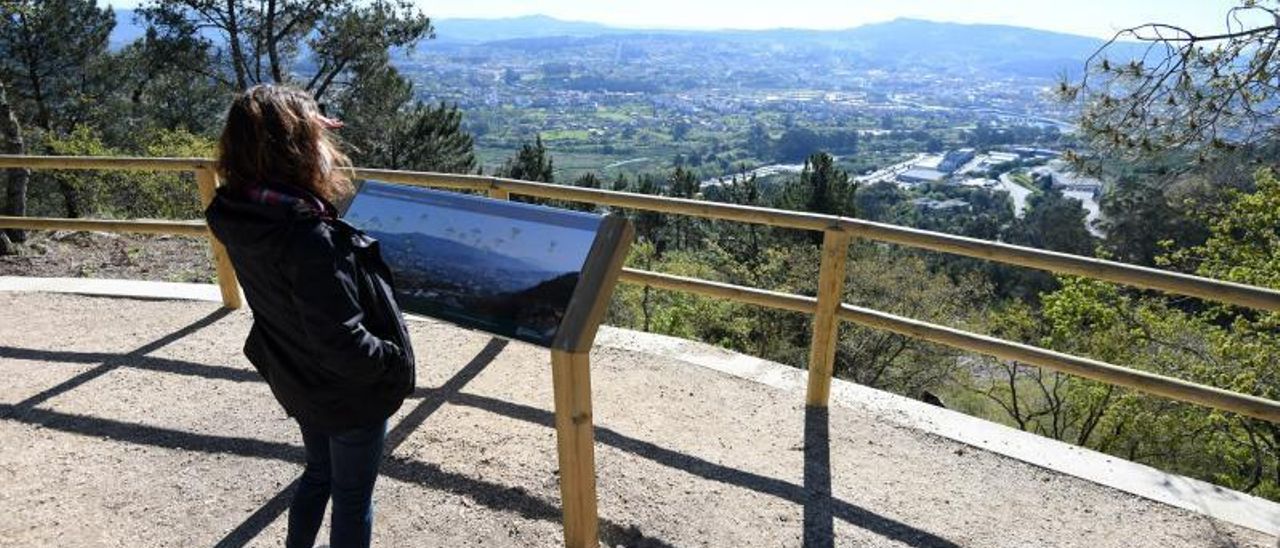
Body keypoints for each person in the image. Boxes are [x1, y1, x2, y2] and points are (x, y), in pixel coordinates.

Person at [205, 84, 416, 548]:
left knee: (318, 472)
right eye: (318, 135)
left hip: (297, 375)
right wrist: (392, 362)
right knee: (353, 497)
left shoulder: (238, 212)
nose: (328, 148)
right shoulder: (308, 237)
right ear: (295, 148)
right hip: (347, 394)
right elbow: (343, 342)